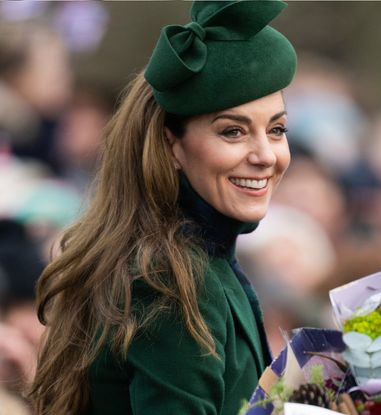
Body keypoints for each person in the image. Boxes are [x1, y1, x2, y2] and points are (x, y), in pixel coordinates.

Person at [30, 1, 297, 414]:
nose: (266, 155)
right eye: (233, 131)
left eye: (276, 130)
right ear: (171, 145)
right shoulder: (172, 283)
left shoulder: (197, 262)